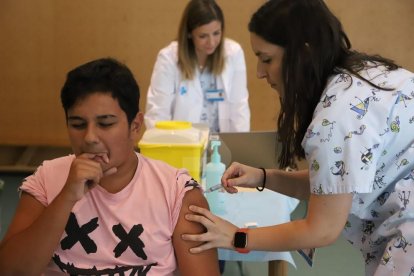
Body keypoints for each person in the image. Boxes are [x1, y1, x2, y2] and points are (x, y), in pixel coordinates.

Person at [181, 0, 414, 275]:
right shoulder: (365, 74)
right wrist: (263, 177)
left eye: (267, 59)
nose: (259, 72)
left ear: (303, 54)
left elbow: (322, 229)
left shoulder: (335, 120)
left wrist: (236, 236)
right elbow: (332, 184)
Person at [0, 58, 220, 275]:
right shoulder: (48, 179)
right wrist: (66, 196)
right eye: (77, 124)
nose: (90, 137)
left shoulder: (176, 193)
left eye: (105, 124)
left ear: (135, 126)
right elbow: (11, 270)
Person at [144, 0, 250, 133]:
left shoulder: (233, 53)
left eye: (216, 33)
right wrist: (164, 149)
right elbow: (158, 113)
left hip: (222, 145)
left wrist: (239, 149)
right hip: (182, 146)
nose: (211, 42)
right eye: (203, 36)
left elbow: (239, 107)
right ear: (189, 33)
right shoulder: (168, 58)